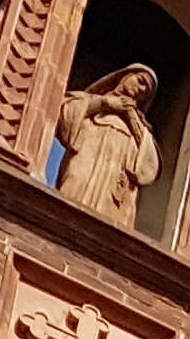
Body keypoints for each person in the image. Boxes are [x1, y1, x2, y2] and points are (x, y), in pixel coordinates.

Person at [54, 61, 161, 227]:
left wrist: (132, 118)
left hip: (113, 191)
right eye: (140, 81)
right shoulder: (88, 102)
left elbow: (149, 168)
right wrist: (104, 103)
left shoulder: (138, 127)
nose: (140, 90)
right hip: (82, 173)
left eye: (145, 91)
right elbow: (64, 115)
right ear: (125, 76)